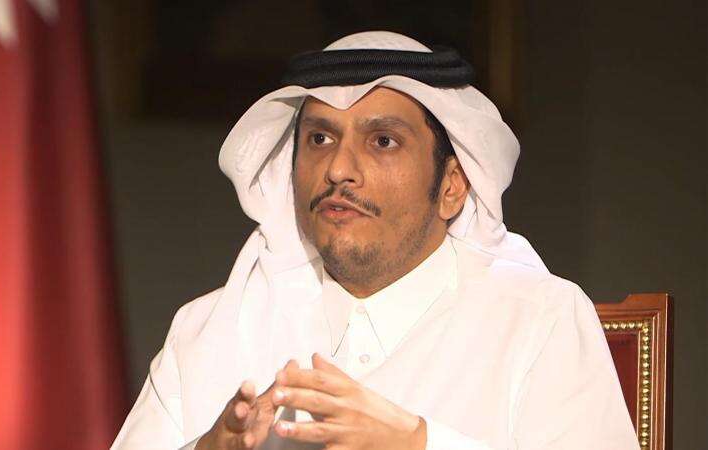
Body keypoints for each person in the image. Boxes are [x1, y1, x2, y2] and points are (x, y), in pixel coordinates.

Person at [111, 31, 638, 450]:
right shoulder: (208, 329)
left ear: (452, 186)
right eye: (320, 138)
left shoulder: (538, 319)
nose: (338, 168)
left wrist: (417, 443)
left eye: (383, 141)